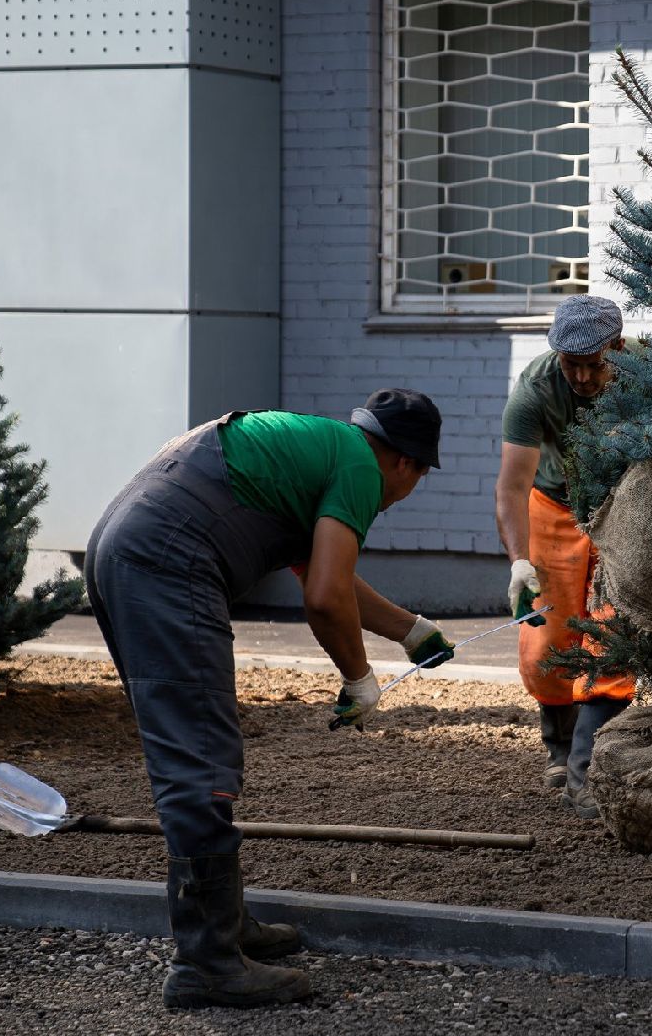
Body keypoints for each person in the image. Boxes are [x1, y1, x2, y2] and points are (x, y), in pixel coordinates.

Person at [84, 390, 456, 1009]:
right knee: (199, 755)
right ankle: (206, 963)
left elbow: (319, 573)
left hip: (126, 545)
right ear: (409, 464)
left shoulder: (317, 448)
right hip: (167, 560)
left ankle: (225, 927)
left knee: (193, 746)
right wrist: (360, 681)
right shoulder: (363, 468)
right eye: (415, 478)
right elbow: (325, 597)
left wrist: (411, 632)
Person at [496, 295, 635, 819]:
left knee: (610, 635)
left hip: (624, 511)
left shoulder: (646, 377)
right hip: (552, 505)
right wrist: (518, 561)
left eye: (592, 364)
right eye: (569, 364)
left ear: (616, 350)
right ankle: (557, 750)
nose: (580, 377)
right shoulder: (534, 390)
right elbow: (511, 486)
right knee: (547, 637)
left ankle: (586, 772)